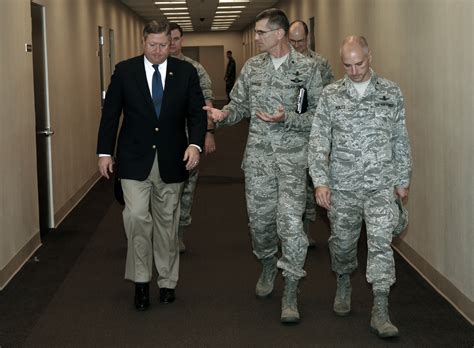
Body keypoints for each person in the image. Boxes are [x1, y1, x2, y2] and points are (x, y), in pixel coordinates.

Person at [205, 8, 322, 324]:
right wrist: (222, 116)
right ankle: (269, 262)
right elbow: (240, 104)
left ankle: (291, 293)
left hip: (293, 162)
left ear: (280, 33)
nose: (255, 37)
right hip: (258, 161)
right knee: (260, 225)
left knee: (291, 227)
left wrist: (290, 118)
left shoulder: (309, 69)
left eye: (260, 32)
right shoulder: (253, 67)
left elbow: (321, 119)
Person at [96, 20, 207, 311]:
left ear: (171, 44)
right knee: (135, 218)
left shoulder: (185, 72)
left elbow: (196, 114)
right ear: (143, 42)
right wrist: (104, 152)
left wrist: (195, 145)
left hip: (172, 158)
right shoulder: (125, 71)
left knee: (167, 224)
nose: (158, 51)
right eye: (152, 45)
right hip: (134, 159)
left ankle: (168, 281)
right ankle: (141, 281)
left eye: (164, 45)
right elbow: (111, 115)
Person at [308, 36, 412, 338]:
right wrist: (321, 182)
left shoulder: (391, 92)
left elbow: (400, 139)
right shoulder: (331, 95)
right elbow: (318, 142)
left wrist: (402, 180)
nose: (353, 71)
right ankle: (343, 279)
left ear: (370, 57)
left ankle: (380, 308)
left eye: (359, 64)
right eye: (348, 65)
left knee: (380, 244)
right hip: (343, 186)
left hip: (381, 184)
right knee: (342, 243)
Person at [168, 22, 217, 253]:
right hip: (162, 140)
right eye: (168, 39)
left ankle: (178, 233)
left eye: (175, 39)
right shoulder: (151, 67)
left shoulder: (194, 69)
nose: (171, 44)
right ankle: (160, 233)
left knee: (186, 189)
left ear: (182, 40)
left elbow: (206, 105)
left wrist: (208, 133)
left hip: (190, 139)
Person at [289, 19, 334, 248]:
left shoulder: (321, 64)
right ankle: (293, 232)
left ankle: (306, 230)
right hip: (290, 135)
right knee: (293, 186)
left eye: (300, 41)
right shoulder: (284, 64)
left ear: (307, 38)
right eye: (292, 41)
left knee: (311, 184)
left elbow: (329, 100)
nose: (296, 45)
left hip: (314, 134)